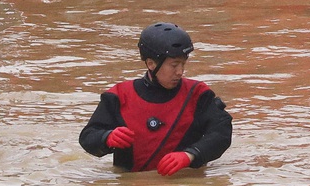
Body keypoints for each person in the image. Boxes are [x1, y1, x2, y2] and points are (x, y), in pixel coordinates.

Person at [79, 23, 233, 174]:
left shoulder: (198, 94)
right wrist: (106, 138)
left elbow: (221, 133)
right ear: (151, 64)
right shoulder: (119, 96)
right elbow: (87, 137)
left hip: (184, 185)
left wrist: (191, 155)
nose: (180, 72)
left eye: (183, 64)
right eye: (174, 65)